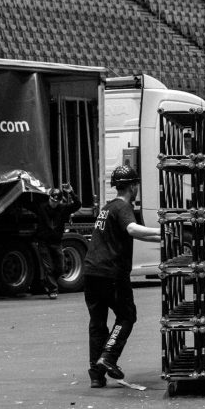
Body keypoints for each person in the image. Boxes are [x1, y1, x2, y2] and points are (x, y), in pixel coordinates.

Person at [83, 164, 160, 388]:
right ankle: (109, 356)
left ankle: (96, 375)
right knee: (127, 316)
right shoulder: (123, 207)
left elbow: (135, 235)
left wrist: (163, 238)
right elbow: (133, 230)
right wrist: (164, 229)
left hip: (91, 273)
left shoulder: (107, 208)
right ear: (133, 187)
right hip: (112, 274)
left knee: (97, 323)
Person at [31, 184, 81, 299]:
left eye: (55, 201)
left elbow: (77, 205)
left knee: (61, 268)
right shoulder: (41, 207)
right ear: (49, 198)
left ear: (59, 201)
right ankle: (53, 289)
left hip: (56, 242)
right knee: (48, 267)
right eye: (52, 200)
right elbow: (28, 203)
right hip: (43, 242)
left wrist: (71, 192)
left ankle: (47, 281)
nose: (53, 203)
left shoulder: (63, 209)